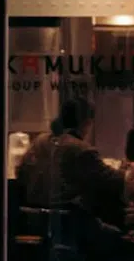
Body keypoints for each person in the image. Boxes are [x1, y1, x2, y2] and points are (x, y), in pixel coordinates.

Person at [17, 94, 122, 226]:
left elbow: (21, 172)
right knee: (116, 236)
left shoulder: (39, 141)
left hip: (32, 219)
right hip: (67, 223)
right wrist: (127, 169)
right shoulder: (80, 149)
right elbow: (111, 179)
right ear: (87, 123)